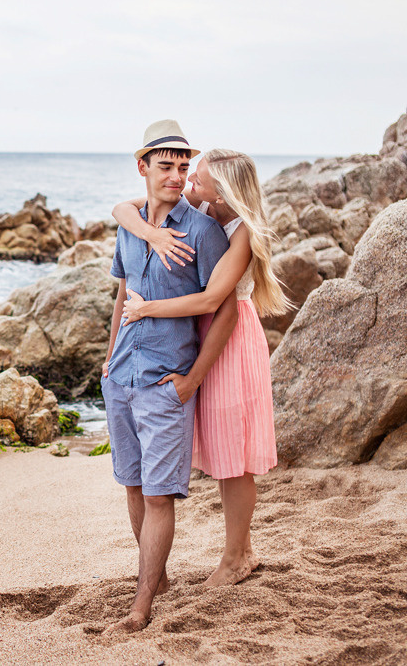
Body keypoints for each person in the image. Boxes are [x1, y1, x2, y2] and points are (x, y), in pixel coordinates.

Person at [111, 148, 290, 587]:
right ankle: (240, 550)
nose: (187, 184)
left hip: (229, 338)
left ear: (223, 191)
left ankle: (237, 555)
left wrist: (147, 308)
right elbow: (122, 208)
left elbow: (213, 301)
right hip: (194, 335)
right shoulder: (202, 209)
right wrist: (150, 235)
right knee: (220, 449)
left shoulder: (243, 232)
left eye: (198, 180)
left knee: (235, 455)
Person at [101, 120, 238, 633]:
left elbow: (223, 309)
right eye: (166, 167)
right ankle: (153, 579)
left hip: (165, 381)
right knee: (133, 485)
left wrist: (193, 380)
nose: (177, 177)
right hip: (121, 377)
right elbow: (123, 292)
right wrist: (108, 358)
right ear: (143, 168)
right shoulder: (130, 223)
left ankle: (141, 606)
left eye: (184, 168)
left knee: (160, 494)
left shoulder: (202, 231)